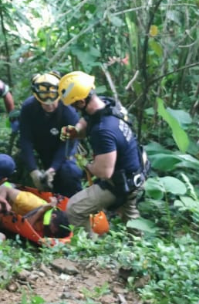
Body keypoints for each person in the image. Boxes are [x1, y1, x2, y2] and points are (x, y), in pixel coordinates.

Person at [58, 71, 149, 229]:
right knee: (130, 218)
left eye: (74, 106)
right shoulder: (108, 105)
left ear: (81, 102)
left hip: (120, 184)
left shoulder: (102, 131)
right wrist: (77, 130)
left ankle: (89, 248)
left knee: (74, 208)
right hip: (135, 171)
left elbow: (103, 172)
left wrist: (84, 163)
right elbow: (88, 119)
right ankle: (137, 245)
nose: (75, 110)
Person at [18, 72, 83, 197]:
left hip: (64, 145)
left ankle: (75, 200)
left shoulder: (68, 110)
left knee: (68, 171)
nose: (50, 106)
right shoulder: (28, 108)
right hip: (42, 143)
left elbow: (68, 144)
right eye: (45, 103)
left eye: (53, 102)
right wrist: (33, 171)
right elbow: (25, 139)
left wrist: (53, 169)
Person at [0, 183, 71, 239]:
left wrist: (41, 211)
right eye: (54, 229)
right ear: (53, 216)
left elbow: (26, 226)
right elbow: (4, 188)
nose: (52, 232)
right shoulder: (32, 203)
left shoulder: (45, 223)